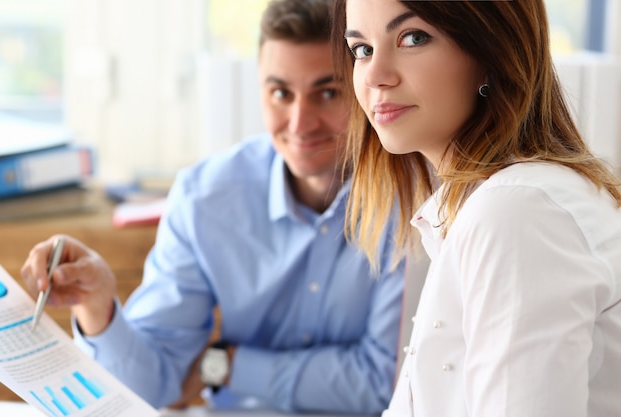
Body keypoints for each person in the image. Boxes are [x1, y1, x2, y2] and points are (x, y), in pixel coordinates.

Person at [21, 0, 407, 413]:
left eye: (327, 92)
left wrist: (225, 364)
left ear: (364, 85)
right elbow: (153, 387)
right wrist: (97, 305)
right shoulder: (206, 197)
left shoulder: (411, 200)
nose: (298, 123)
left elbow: (386, 382)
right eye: (280, 93)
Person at [330, 0, 621, 416]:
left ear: (491, 51)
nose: (375, 76)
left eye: (413, 38)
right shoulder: (494, 204)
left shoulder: (518, 212)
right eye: (362, 49)